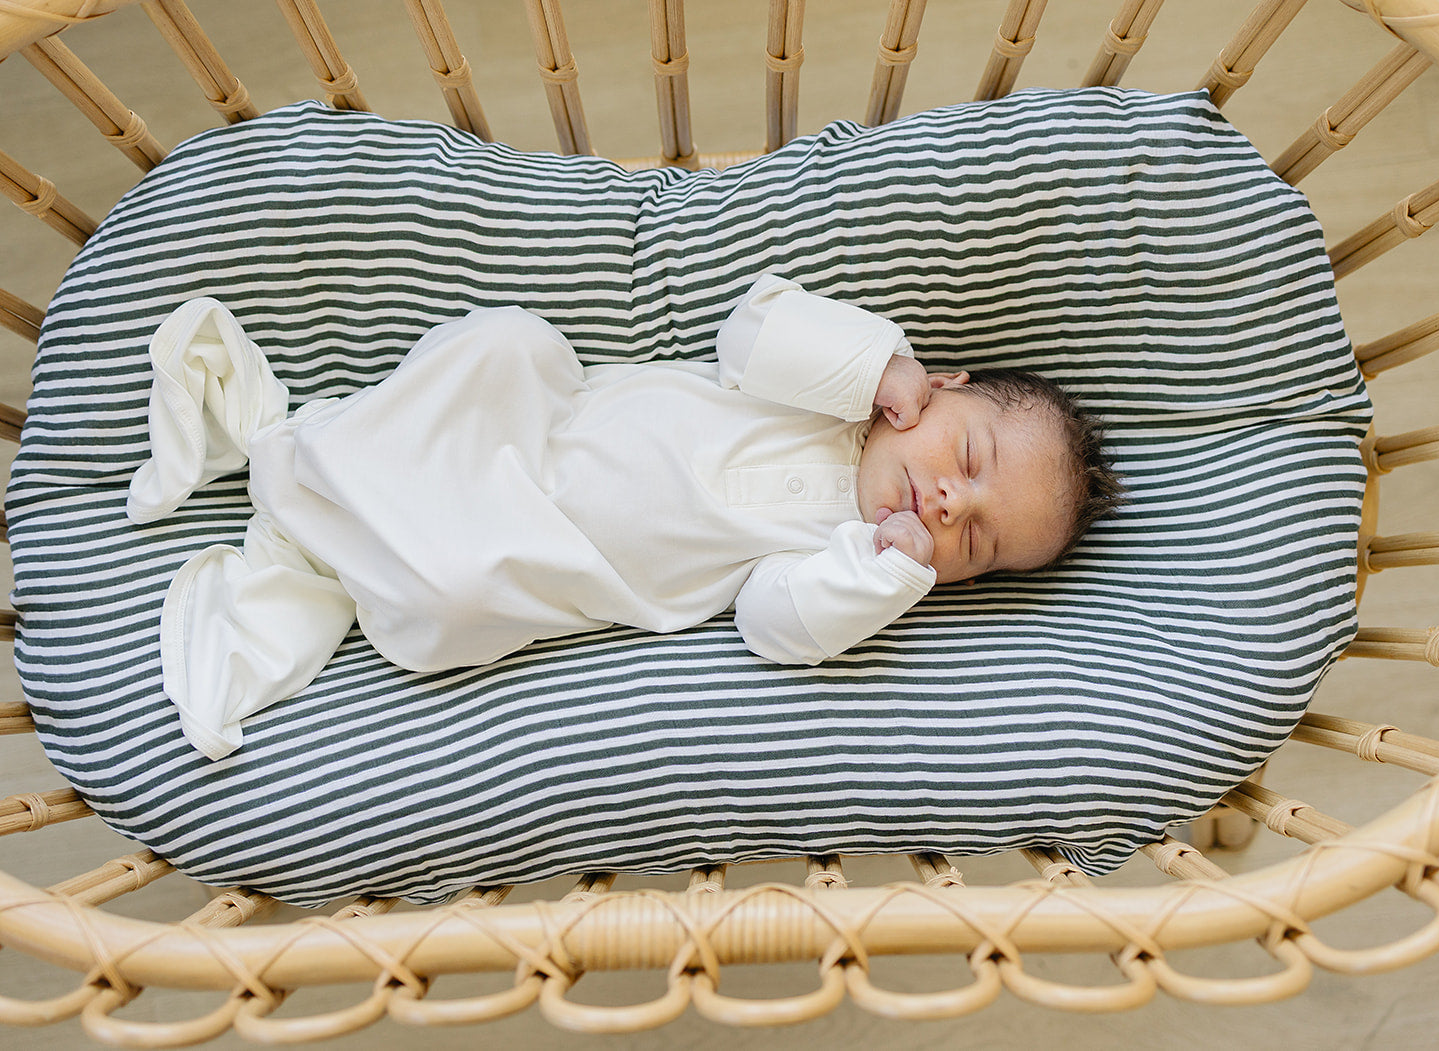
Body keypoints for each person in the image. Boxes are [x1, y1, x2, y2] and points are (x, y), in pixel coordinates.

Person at [128, 274, 1119, 759]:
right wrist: (873, 362)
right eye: (970, 457)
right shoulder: (830, 391)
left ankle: (321, 549)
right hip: (534, 428)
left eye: (975, 540)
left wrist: (887, 572)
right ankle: (303, 462)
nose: (949, 502)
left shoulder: (842, 558)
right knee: (504, 341)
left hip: (551, 553)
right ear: (941, 387)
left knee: (455, 594)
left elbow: (774, 628)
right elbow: (754, 325)